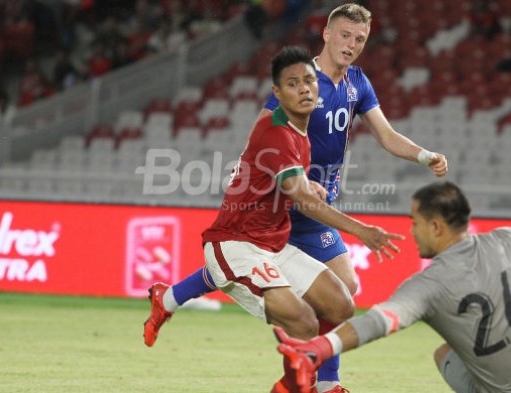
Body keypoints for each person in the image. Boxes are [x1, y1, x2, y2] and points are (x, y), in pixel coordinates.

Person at [144, 4, 448, 392]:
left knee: (343, 292)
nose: (350, 45)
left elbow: (386, 135)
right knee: (282, 283)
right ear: (326, 33)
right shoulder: (301, 81)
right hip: (288, 204)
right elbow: (263, 133)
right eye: (344, 35)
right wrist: (288, 179)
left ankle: (169, 298)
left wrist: (424, 155)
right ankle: (320, 382)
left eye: (359, 39)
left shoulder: (357, 83)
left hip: (318, 207)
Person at [273, 179, 511, 393]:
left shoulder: (427, 285)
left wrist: (317, 348)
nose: (411, 230)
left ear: (437, 227)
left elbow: (377, 322)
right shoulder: (504, 240)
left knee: (448, 358)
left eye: (416, 222)